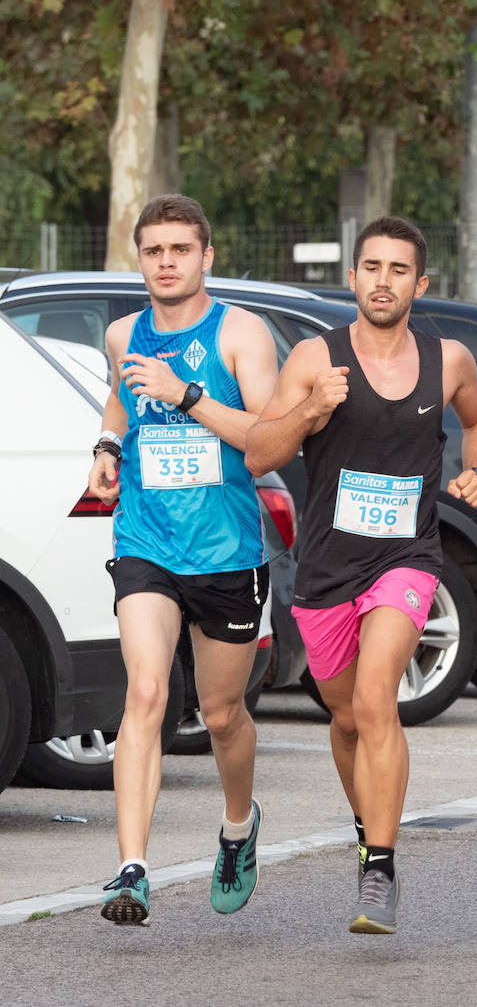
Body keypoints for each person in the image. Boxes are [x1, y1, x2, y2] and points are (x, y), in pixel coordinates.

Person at [245, 217, 477, 935]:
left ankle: (380, 867)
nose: (382, 280)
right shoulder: (313, 358)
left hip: (407, 560)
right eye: (371, 267)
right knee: (347, 715)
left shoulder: (446, 358)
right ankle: (369, 828)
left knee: (376, 695)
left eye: (398, 269)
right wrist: (310, 408)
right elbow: (259, 454)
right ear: (352, 278)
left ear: (420, 285)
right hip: (328, 569)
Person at [89, 194, 279, 925]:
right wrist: (108, 447)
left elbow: (265, 438)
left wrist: (187, 393)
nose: (165, 262)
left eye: (180, 249)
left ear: (206, 256)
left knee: (223, 712)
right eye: (153, 250)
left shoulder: (241, 333)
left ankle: (238, 827)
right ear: (139, 258)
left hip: (227, 550)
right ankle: (131, 870)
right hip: (146, 540)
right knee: (144, 695)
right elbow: (120, 400)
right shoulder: (121, 334)